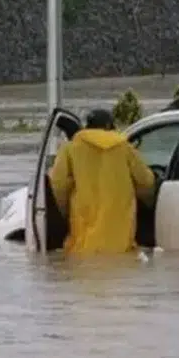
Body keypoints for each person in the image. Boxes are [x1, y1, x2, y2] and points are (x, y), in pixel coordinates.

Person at [48, 108, 157, 256]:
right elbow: (146, 182)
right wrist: (149, 202)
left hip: (83, 233)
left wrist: (64, 211)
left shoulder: (70, 148)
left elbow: (58, 184)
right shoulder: (124, 148)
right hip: (120, 232)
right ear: (109, 126)